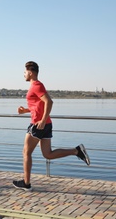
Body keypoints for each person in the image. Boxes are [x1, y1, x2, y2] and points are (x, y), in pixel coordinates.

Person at [13, 61, 90, 191]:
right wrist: (25, 111)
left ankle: (26, 183)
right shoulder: (35, 86)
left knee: (26, 152)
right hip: (45, 124)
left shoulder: (36, 85)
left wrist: (42, 121)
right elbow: (38, 105)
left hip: (39, 125)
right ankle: (76, 151)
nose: (24, 75)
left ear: (31, 73)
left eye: (25, 72)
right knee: (48, 154)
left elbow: (49, 102)